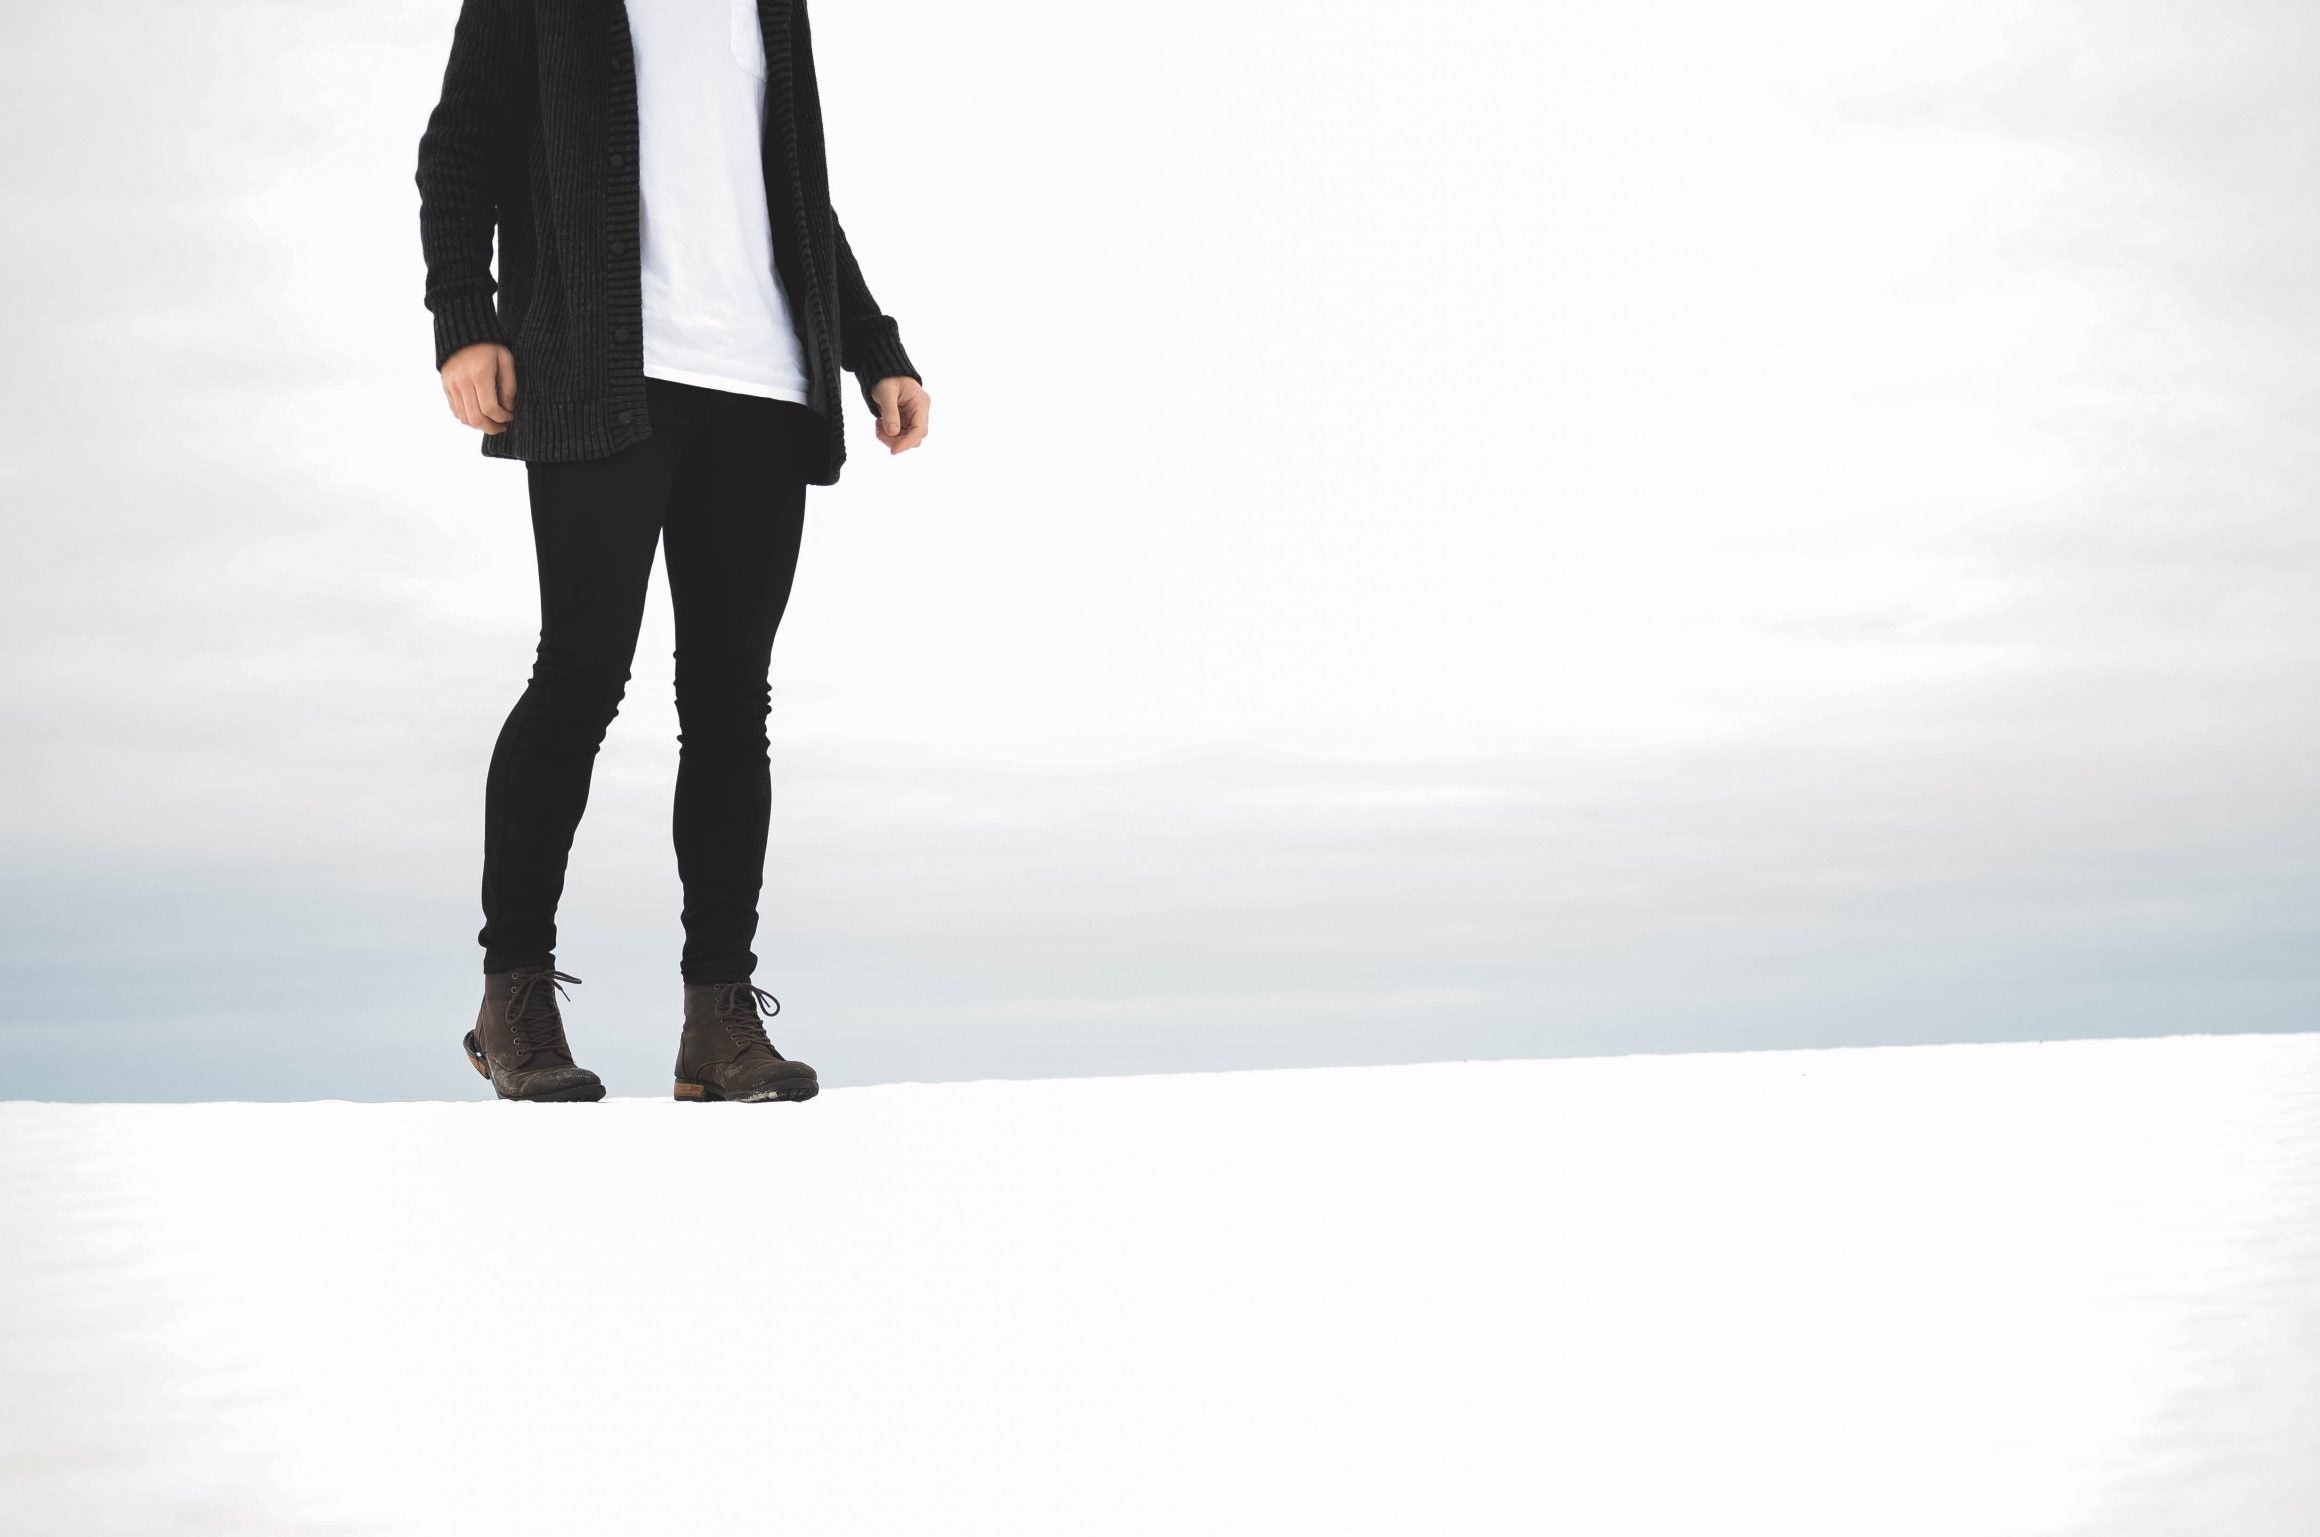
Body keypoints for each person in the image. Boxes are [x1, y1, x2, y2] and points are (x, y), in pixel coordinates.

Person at [414, 0, 929, 1104]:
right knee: (581, 672)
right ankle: (514, 994)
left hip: (763, 380)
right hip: (604, 368)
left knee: (733, 701)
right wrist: (465, 316)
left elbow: (797, 196)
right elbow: (460, 148)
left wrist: (875, 347)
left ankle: (719, 1019)